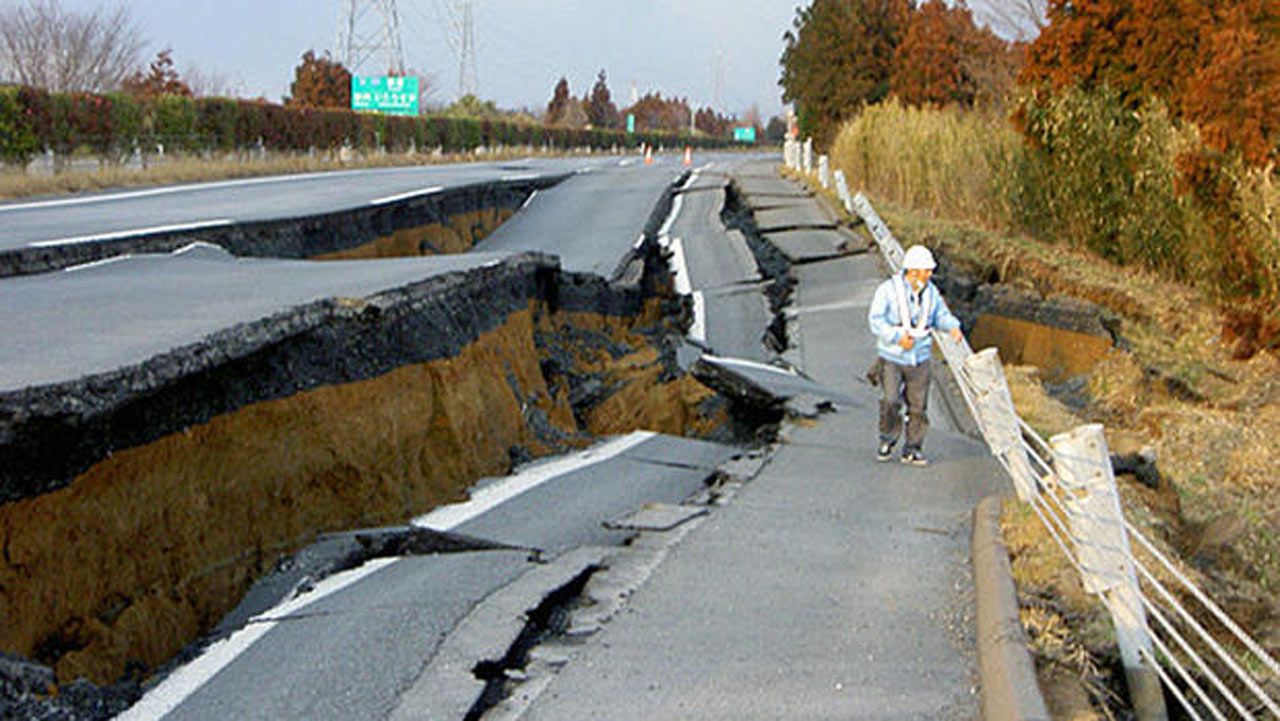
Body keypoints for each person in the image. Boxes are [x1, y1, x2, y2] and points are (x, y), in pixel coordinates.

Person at [867, 245, 964, 466]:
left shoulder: (931, 293)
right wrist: (896, 336)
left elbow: (941, 315)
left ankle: (913, 448)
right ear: (912, 271)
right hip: (892, 357)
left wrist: (953, 327)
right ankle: (887, 438)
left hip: (919, 358)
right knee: (891, 400)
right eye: (926, 270)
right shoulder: (888, 291)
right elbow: (876, 320)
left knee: (918, 405)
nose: (929, 275)